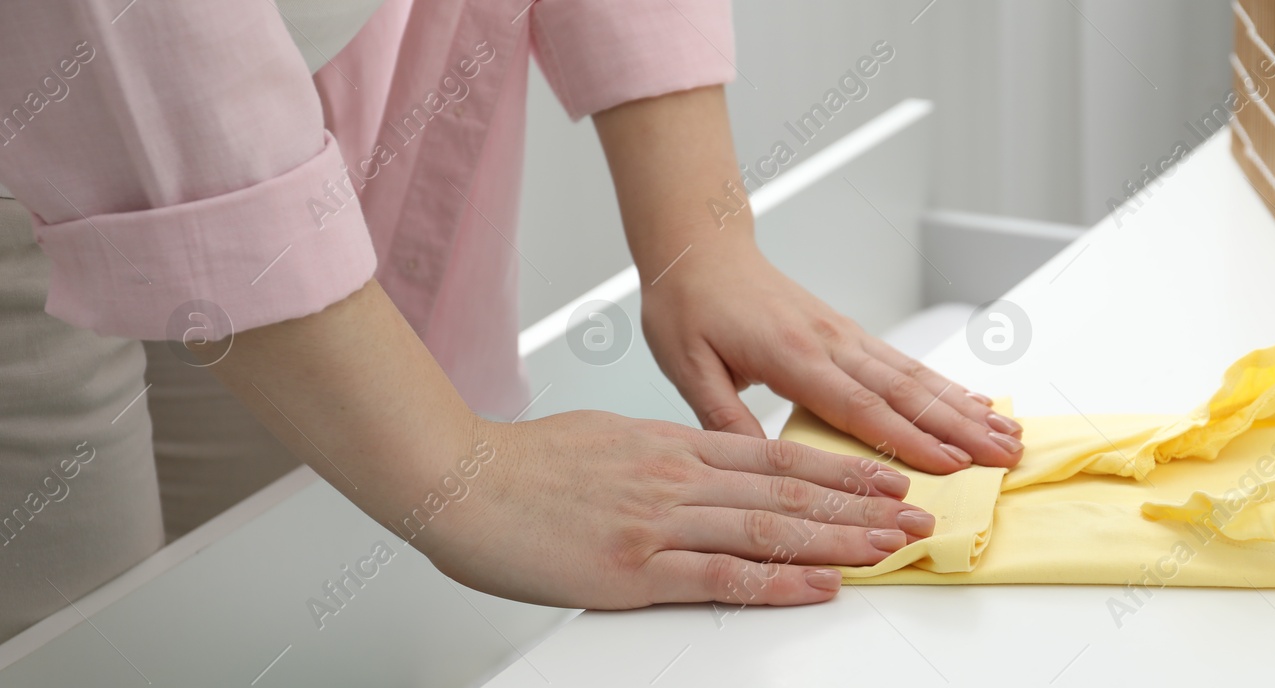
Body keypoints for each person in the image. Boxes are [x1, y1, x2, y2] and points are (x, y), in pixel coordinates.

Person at [0, 0, 1023, 643]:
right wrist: (462, 471)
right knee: (71, 676)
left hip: (307, 96)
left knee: (257, 619)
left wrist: (698, 227)